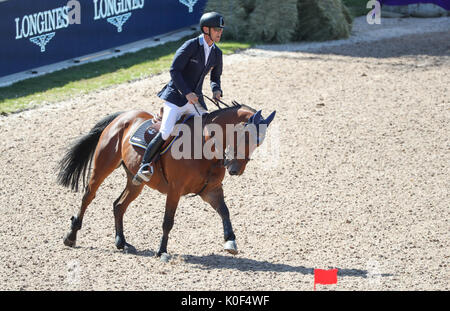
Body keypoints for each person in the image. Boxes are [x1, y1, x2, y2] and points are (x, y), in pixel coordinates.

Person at [133, 12, 225, 185]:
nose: (220, 33)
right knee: (166, 131)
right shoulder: (190, 46)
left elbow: (215, 77)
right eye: (216, 29)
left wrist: (216, 89)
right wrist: (186, 92)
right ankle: (145, 166)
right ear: (206, 29)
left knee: (208, 130)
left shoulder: (217, 53)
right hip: (176, 97)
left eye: (220, 30)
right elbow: (174, 70)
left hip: (195, 101)